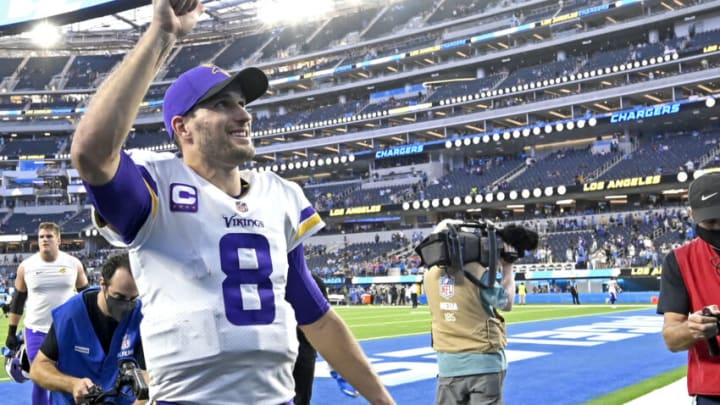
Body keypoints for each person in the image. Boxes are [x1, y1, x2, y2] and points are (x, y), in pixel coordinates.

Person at [70, 1, 394, 404]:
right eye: (222, 104)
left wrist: (383, 401)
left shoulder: (280, 195)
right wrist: (162, 36)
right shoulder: (155, 188)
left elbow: (316, 316)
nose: (243, 114)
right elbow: (89, 153)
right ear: (182, 127)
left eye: (242, 103)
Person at [421, 219, 534, 405]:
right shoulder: (477, 271)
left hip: (448, 365)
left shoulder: (429, 274)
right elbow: (506, 302)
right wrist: (507, 267)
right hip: (484, 362)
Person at [29, 252, 147, 405]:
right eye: (119, 297)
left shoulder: (141, 315)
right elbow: (38, 369)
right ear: (103, 284)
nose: (126, 306)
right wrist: (71, 384)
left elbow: (149, 374)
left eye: (132, 299)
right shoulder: (70, 314)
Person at [5, 222, 88, 405]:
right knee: (41, 379)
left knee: (65, 377)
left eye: (49, 236)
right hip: (36, 330)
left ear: (58, 240)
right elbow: (18, 301)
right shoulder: (26, 266)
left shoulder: (74, 264)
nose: (44, 240)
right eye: (41, 236)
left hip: (65, 330)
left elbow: (86, 297)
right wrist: (12, 331)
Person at [657, 171, 720, 403]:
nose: (718, 227)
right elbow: (671, 338)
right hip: (714, 391)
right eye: (711, 221)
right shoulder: (679, 261)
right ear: (692, 215)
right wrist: (693, 329)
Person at [293, 274, 359, 405]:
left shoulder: (312, 281)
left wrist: (337, 366)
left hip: (301, 350)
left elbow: (324, 324)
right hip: (282, 351)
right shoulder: (311, 280)